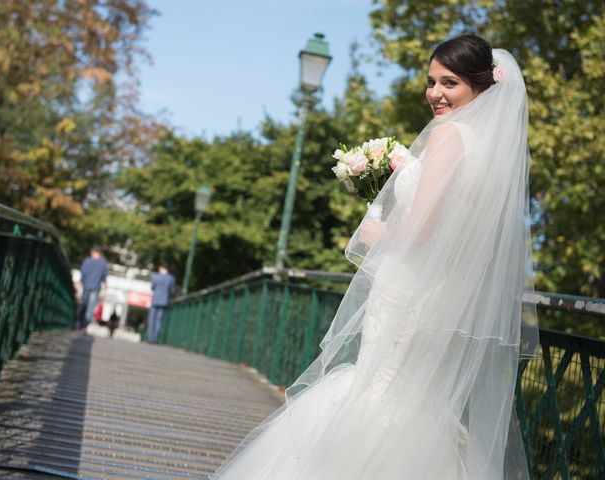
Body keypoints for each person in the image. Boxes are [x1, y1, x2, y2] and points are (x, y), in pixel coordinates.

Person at [212, 35, 539, 480]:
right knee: (412, 404)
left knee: (377, 393)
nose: (435, 93)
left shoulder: (449, 137)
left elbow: (423, 230)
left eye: (450, 82)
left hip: (407, 291)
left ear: (481, 86)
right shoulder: (492, 152)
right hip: (444, 298)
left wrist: (378, 231)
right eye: (430, 81)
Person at [78, 247, 108, 331]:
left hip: (86, 286)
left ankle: (81, 323)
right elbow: (104, 276)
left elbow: (83, 272)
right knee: (90, 307)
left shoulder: (87, 261)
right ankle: (85, 324)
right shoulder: (103, 263)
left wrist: (80, 282)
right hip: (96, 287)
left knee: (84, 304)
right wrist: (105, 288)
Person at [146, 264, 176, 343]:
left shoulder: (156, 276)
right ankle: (155, 339)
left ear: (161, 269)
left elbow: (152, 287)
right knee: (159, 320)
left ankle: (150, 338)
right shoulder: (171, 278)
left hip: (155, 300)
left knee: (152, 319)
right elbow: (172, 291)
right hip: (164, 301)